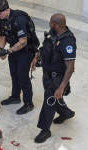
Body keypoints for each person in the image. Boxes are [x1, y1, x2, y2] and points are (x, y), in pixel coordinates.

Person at [31, 13, 76, 143]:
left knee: (49, 102)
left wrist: (61, 87)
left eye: (50, 22)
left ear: (55, 24)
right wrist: (36, 57)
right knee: (54, 98)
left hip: (57, 79)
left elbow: (70, 67)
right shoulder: (53, 32)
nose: (49, 24)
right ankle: (66, 113)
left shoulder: (68, 41)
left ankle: (45, 130)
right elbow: (45, 47)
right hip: (47, 74)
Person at [0, 0, 37, 114]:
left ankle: (29, 103)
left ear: (7, 9)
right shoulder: (2, 21)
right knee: (14, 74)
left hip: (26, 51)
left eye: (0, 13)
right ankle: (15, 97)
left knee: (23, 77)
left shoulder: (19, 19)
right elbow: (3, 37)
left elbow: (23, 41)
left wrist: (8, 51)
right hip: (14, 49)